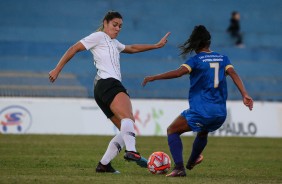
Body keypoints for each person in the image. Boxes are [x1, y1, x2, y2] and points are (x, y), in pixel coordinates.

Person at [49, 11, 170, 174]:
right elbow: (74, 48)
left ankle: (104, 165)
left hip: (101, 88)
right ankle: (131, 151)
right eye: (114, 25)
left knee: (125, 129)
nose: (118, 28)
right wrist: (57, 69)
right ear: (105, 23)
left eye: (120, 26)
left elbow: (132, 48)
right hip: (109, 83)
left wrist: (155, 45)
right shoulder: (98, 36)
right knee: (128, 118)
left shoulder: (114, 43)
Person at [142, 25, 253, 177]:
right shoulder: (223, 58)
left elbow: (178, 73)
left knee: (172, 131)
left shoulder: (195, 60)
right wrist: (245, 94)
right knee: (203, 132)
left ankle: (179, 168)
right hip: (220, 114)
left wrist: (154, 77)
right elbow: (233, 72)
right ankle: (192, 160)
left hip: (202, 111)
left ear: (196, 43)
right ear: (209, 42)